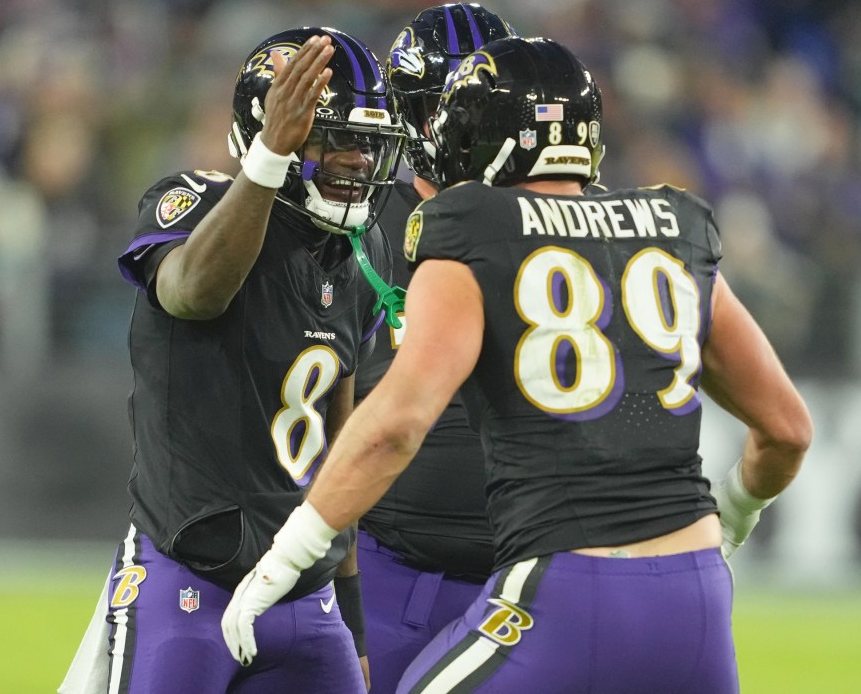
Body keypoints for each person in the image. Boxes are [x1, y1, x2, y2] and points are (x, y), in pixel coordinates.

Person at [220, 36, 813, 693]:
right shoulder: (675, 226)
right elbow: (788, 429)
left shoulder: (471, 226)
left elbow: (396, 425)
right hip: (697, 595)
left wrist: (287, 557)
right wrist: (732, 517)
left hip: (566, 586)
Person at [58, 27, 404, 694]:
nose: (359, 160)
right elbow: (192, 292)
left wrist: (354, 618)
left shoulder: (364, 251)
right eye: (334, 138)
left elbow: (338, 445)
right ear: (270, 128)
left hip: (306, 596)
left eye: (367, 142)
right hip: (188, 580)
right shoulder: (196, 199)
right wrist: (271, 157)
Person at [352, 3, 515, 694]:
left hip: (523, 586)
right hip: (384, 571)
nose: (459, 130)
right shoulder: (356, 221)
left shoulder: (555, 224)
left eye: (477, 110)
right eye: (441, 109)